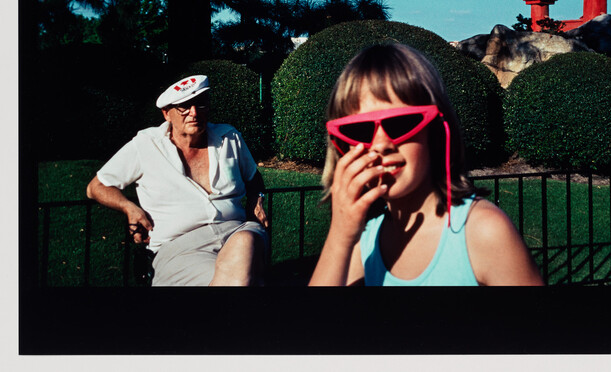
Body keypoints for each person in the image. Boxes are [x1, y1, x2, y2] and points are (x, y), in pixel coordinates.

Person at [309, 43, 544, 286]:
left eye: (400, 124)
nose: (381, 145)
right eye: (359, 130)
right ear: (341, 146)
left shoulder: (482, 232)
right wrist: (339, 237)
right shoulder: (362, 242)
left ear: (437, 130)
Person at [86, 74, 269, 286]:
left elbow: (254, 177)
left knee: (245, 242)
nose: (194, 113)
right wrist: (128, 207)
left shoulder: (229, 137)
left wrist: (258, 198)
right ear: (167, 114)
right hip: (181, 248)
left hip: (237, 230)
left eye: (200, 103)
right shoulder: (146, 144)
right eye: (184, 106)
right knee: (235, 279)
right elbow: (96, 186)